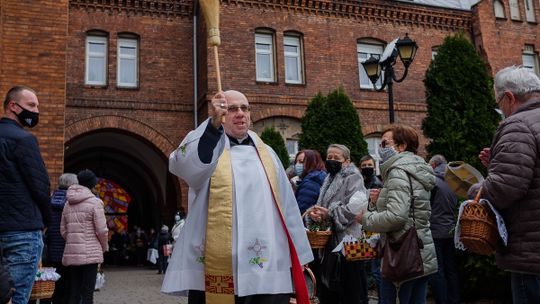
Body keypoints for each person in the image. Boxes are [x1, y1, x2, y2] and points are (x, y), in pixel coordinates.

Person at [162, 90, 313, 304]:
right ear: (220, 114)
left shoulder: (268, 154)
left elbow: (286, 205)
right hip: (219, 262)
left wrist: (299, 254)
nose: (240, 113)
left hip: (266, 261)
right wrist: (212, 129)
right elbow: (183, 165)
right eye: (232, 109)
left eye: (245, 108)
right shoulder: (209, 146)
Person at [477, 65, 540, 304]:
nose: (500, 109)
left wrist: (475, 189)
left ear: (510, 97)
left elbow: (505, 190)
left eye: (499, 102)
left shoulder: (517, 125)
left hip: (531, 254)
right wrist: (497, 163)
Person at [357, 125, 437, 304]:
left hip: (402, 254)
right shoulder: (414, 169)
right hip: (420, 250)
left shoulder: (398, 172)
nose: (381, 148)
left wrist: (365, 219)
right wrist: (378, 202)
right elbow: (411, 210)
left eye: (385, 143)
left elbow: (397, 216)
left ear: (402, 146)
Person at [0, 85, 51, 304]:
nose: (36, 111)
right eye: (31, 105)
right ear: (13, 106)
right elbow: (40, 186)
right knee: (18, 297)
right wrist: (46, 219)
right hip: (22, 231)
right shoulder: (23, 140)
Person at [307, 144, 370, 304]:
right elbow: (323, 205)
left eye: (336, 158)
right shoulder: (329, 178)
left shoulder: (354, 177)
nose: (332, 160)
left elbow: (356, 207)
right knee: (331, 289)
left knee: (350, 291)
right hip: (331, 245)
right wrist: (316, 215)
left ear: (347, 161)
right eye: (329, 157)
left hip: (349, 244)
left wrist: (330, 214)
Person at [61, 169, 108, 304]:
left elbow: (63, 230)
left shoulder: (67, 203)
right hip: (91, 254)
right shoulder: (95, 202)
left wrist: (72, 242)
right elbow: (102, 230)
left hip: (72, 254)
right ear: (91, 184)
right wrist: (104, 247)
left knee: (74, 291)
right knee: (87, 292)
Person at [427, 155, 460, 304]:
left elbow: (427, 206)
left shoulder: (433, 182)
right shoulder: (453, 183)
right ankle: (454, 299)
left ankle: (442, 300)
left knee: (437, 270)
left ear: (433, 166)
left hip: (435, 231)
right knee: (451, 269)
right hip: (450, 231)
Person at [46, 173, 79, 304]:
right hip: (70, 250)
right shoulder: (74, 202)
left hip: (52, 250)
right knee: (69, 286)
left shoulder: (49, 200)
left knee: (54, 286)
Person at [359, 154, 383, 303]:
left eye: (370, 165)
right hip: (364, 227)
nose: (367, 168)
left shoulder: (376, 183)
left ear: (374, 167)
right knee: (365, 267)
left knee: (375, 270)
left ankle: (382, 299)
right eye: (364, 166)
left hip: (373, 230)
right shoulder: (362, 181)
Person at [294, 149, 327, 215]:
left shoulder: (310, 183)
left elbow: (303, 211)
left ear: (312, 162)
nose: (297, 165)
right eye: (296, 162)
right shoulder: (317, 177)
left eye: (301, 162)